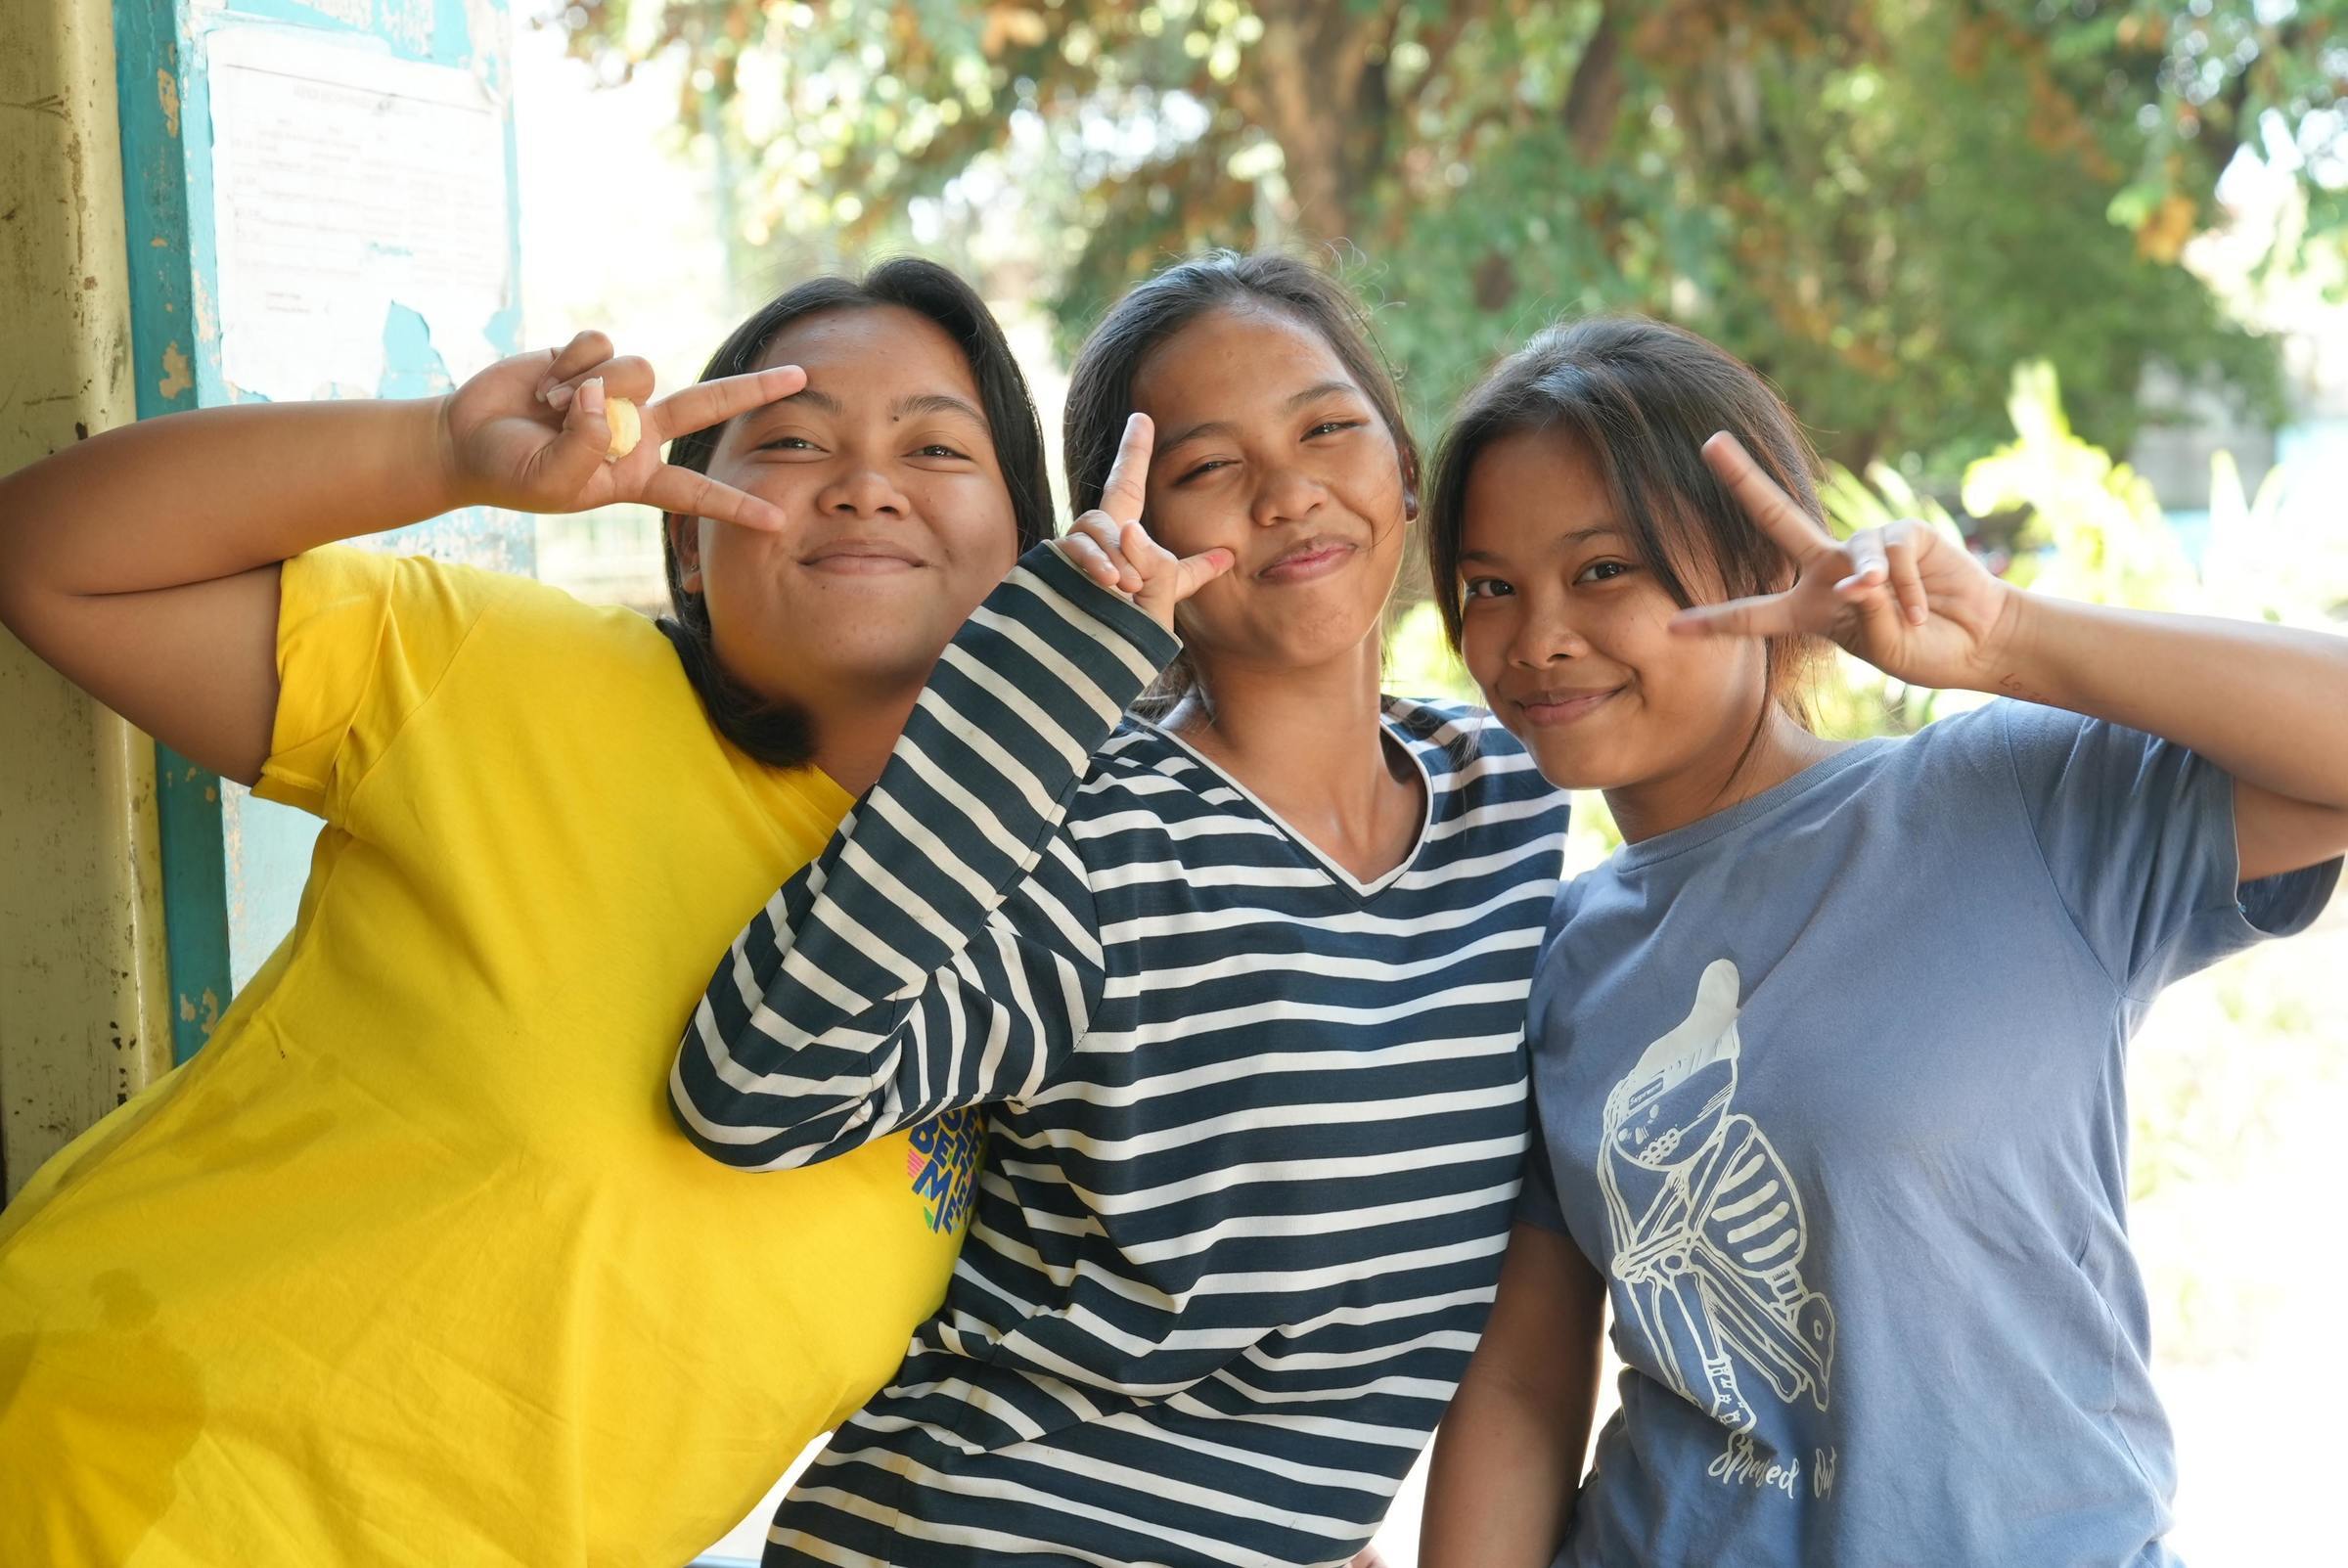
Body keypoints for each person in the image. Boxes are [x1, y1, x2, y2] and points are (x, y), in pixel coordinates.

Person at [0, 260, 1050, 1567]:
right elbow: (55, 560)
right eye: (791, 440)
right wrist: (439, 451)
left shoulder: (1050, 936)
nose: (863, 482)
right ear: (687, 543)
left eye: (936, 447)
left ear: (1036, 557)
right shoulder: (518, 677)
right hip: (83, 1496)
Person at [669, 252, 1570, 1568]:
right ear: (1131, 528)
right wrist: (1052, 669)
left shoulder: (1513, 799)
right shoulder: (1088, 835)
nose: (1288, 489)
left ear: (1406, 470)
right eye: (1208, 465)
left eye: (1328, 427)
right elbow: (753, 1094)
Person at [1414, 315, 2348, 1566]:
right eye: (1490, 587)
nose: (1535, 639)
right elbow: (1524, 1389)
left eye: (1602, 570)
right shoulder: (1559, 958)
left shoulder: (2004, 806)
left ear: (1758, 564)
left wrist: (2007, 637)